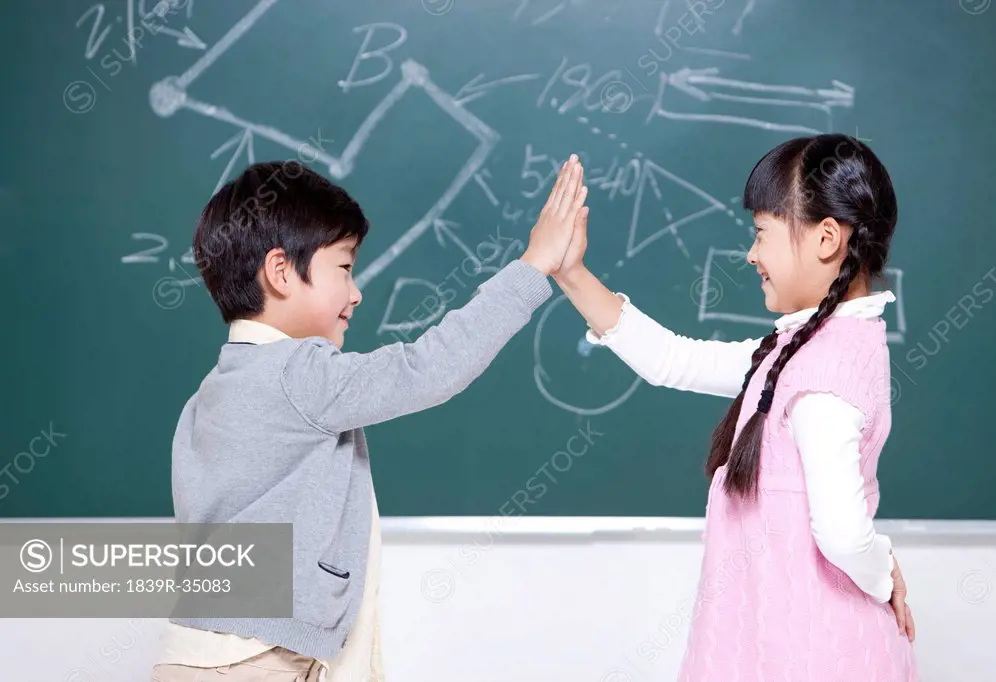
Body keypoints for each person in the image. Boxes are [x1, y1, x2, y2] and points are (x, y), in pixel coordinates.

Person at [151, 155, 589, 682]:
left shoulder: (210, 394)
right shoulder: (300, 374)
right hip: (256, 663)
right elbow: (430, 368)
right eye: (344, 268)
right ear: (281, 271)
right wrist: (533, 265)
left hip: (206, 653)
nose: (356, 292)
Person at [554, 135, 919, 680]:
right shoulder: (798, 349)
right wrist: (571, 273)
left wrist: (883, 571)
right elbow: (672, 360)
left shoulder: (824, 374)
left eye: (761, 233)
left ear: (825, 238)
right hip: (780, 645)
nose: (751, 254)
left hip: (813, 654)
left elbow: (843, 532)